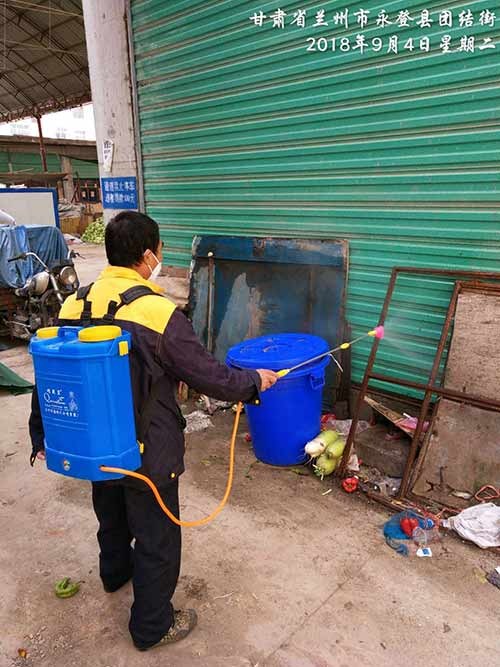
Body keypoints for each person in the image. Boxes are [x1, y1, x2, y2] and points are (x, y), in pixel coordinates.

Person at [28, 211, 278, 651]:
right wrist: (254, 382)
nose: (160, 258)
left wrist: (40, 433)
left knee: (110, 511)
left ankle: (114, 574)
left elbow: (49, 376)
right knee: (157, 537)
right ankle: (151, 626)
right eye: (160, 251)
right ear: (147, 256)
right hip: (148, 448)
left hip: (97, 444)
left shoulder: (74, 303)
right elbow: (211, 376)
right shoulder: (158, 312)